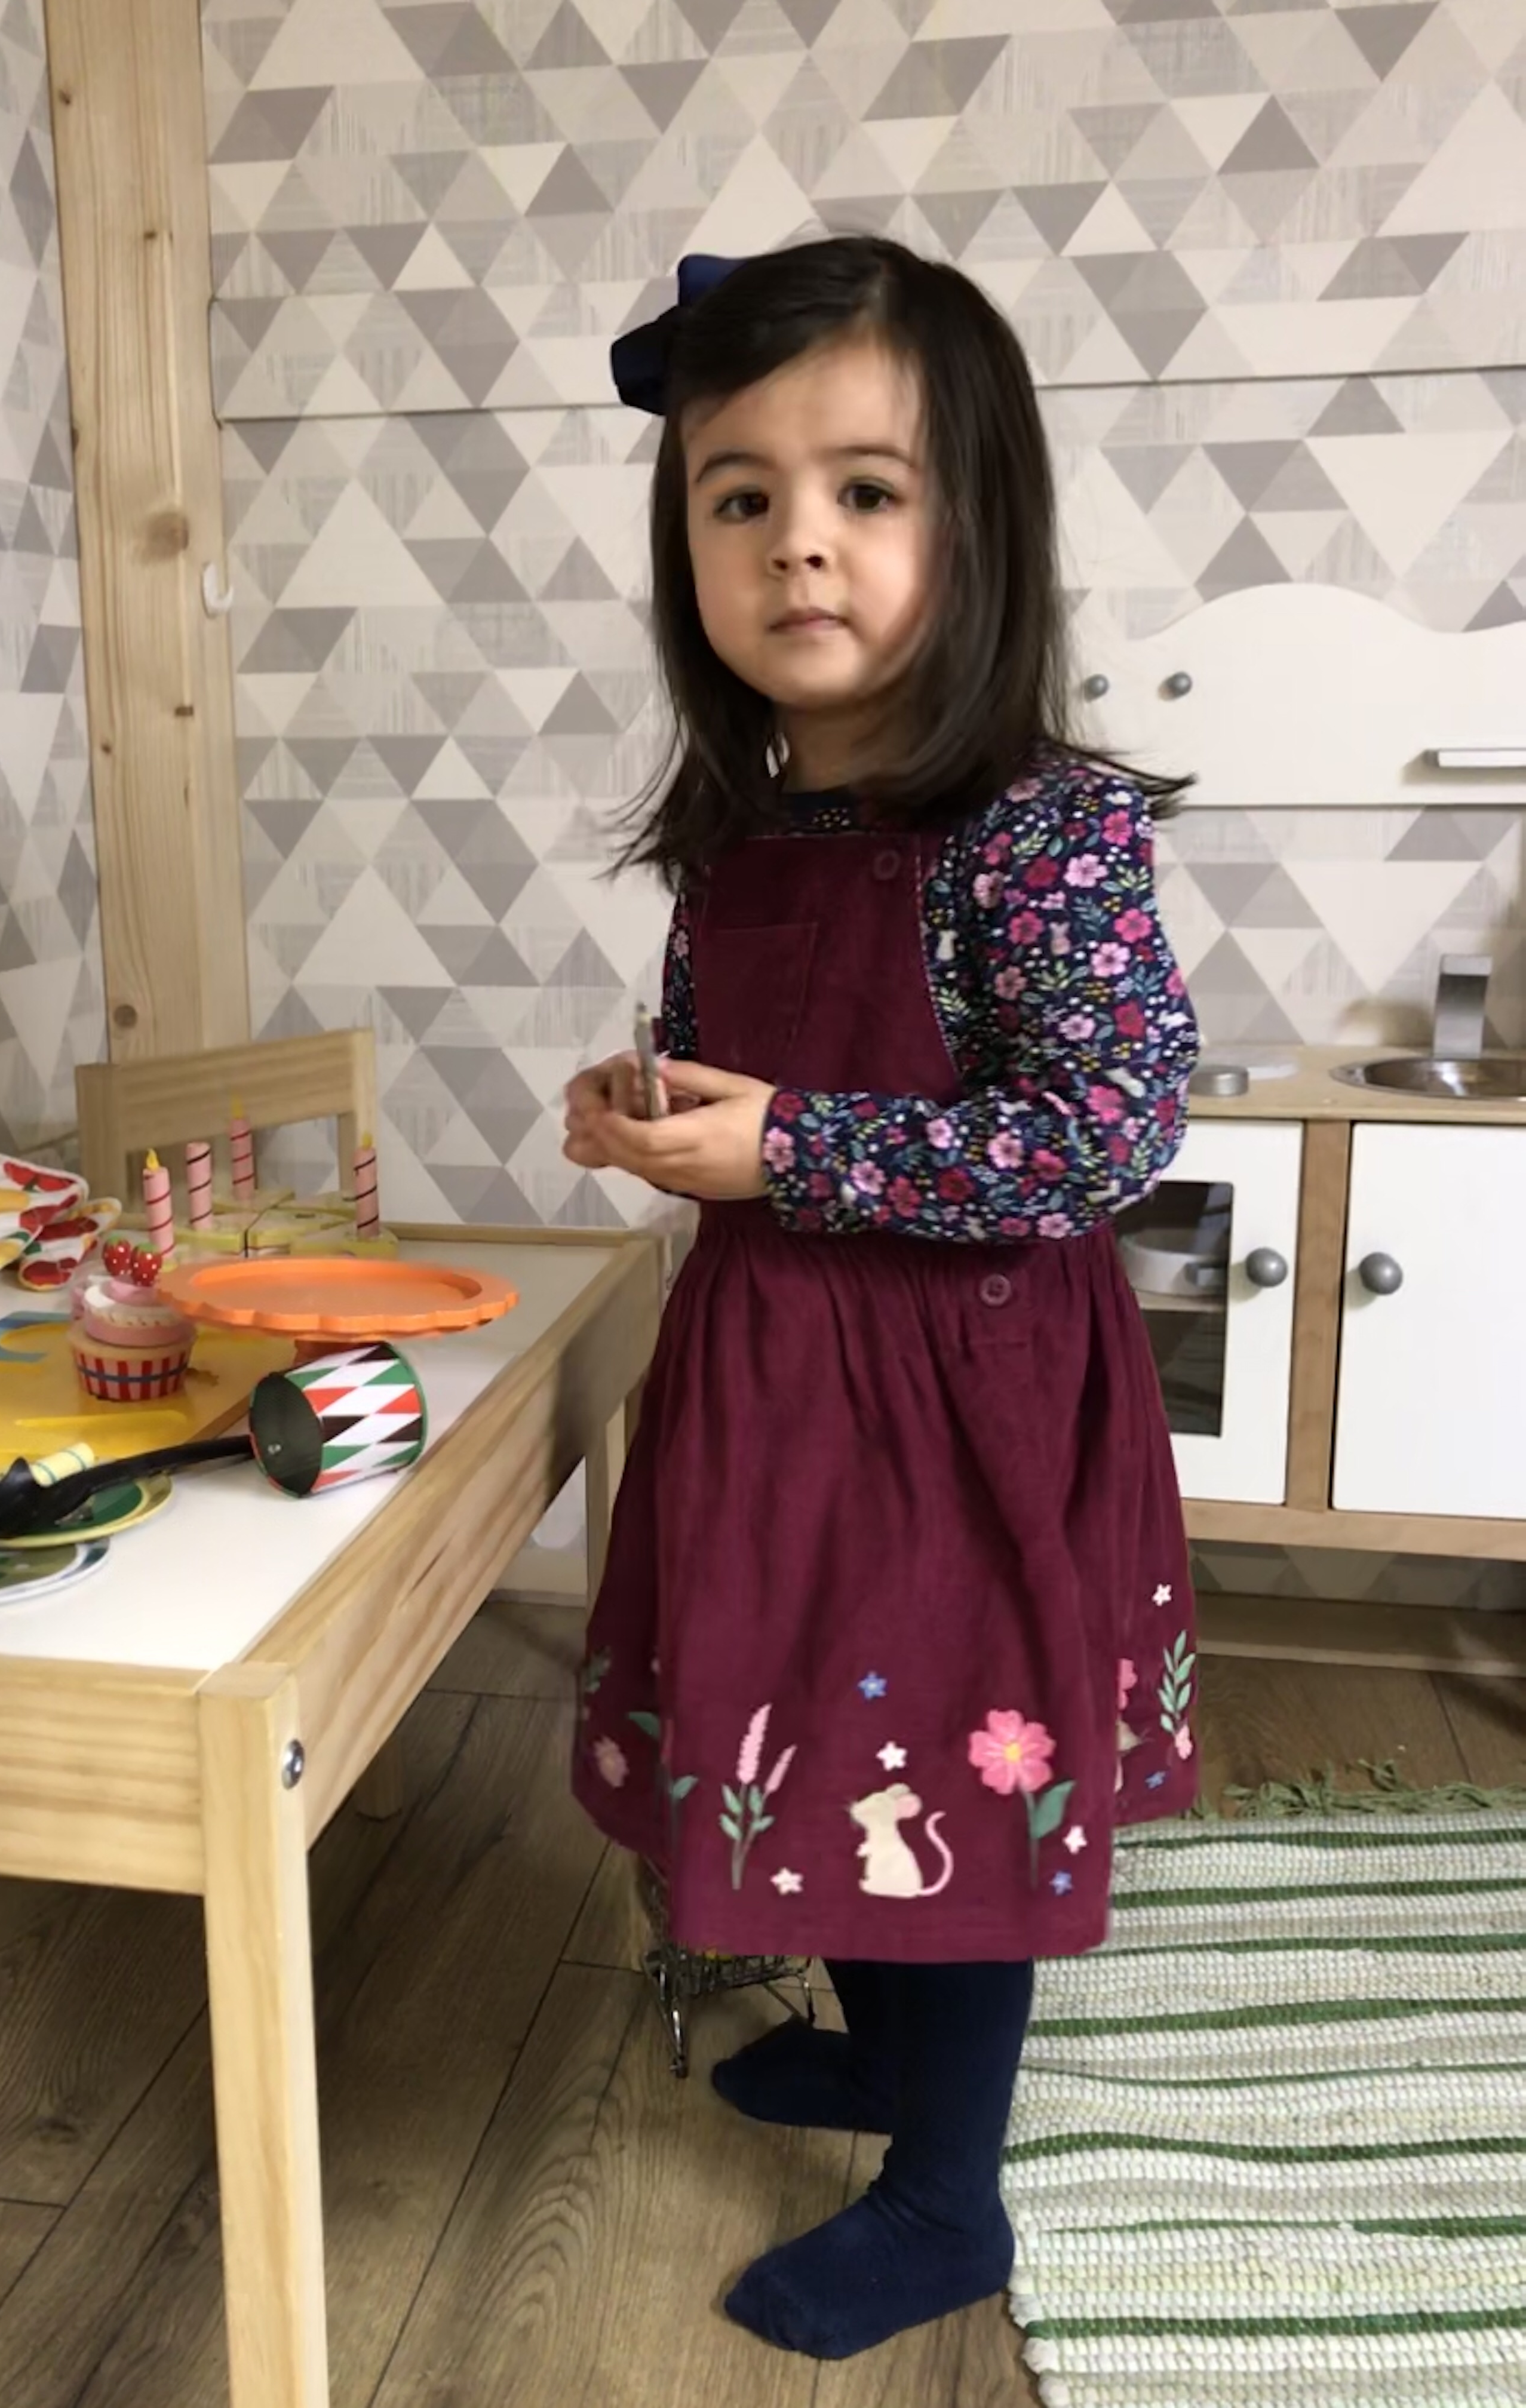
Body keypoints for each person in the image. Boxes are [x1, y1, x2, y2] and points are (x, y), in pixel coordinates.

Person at [562, 236, 1202, 2363]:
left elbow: (1106, 1131)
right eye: (738, 495)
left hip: (962, 1409)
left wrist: (796, 1152)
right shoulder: (738, 833)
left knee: (937, 1753)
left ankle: (948, 2196)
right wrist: (652, 1114)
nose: (796, 542)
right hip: (778, 1386)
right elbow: (744, 1079)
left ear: (977, 524)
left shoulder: (1040, 830)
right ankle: (886, 2046)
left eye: (864, 489)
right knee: (809, 1723)